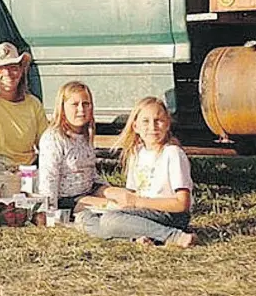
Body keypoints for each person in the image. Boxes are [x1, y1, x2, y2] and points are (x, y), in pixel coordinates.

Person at [75, 96, 197, 247]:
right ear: (135, 126)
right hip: (143, 212)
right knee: (84, 217)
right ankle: (139, 236)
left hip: (169, 214)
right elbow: (132, 193)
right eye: (145, 121)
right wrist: (116, 203)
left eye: (158, 120)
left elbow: (182, 204)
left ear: (167, 124)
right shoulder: (136, 153)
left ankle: (173, 236)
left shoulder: (172, 153)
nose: (152, 127)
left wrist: (137, 202)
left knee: (109, 220)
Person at [0, 42, 48, 174]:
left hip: (28, 170)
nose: (7, 73)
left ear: (21, 71)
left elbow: (45, 144)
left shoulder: (33, 103)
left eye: (13, 68)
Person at [37, 81, 113, 212]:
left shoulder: (85, 134)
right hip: (68, 198)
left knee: (126, 197)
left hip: (89, 188)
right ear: (62, 108)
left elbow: (90, 171)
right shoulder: (53, 138)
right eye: (74, 104)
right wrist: (49, 214)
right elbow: (49, 179)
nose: (81, 110)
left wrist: (108, 188)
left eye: (85, 104)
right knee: (114, 207)